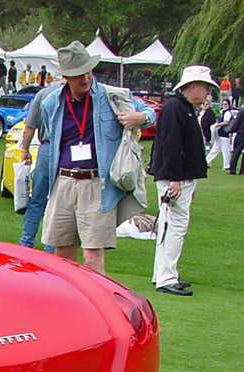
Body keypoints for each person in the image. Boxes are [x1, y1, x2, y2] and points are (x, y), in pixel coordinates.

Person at [39, 41, 154, 275]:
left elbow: (149, 111)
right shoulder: (50, 103)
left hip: (97, 184)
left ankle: (96, 307)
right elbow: (49, 140)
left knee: (92, 257)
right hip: (62, 182)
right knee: (62, 254)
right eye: (78, 74)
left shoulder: (112, 96)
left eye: (88, 71)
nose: (86, 78)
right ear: (66, 77)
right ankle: (69, 306)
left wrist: (140, 117)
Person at [149, 65, 216, 296]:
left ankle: (164, 273)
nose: (208, 91)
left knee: (171, 225)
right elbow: (170, 145)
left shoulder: (183, 108)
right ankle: (166, 277)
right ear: (193, 86)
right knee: (173, 226)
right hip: (174, 178)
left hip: (181, 177)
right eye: (206, 87)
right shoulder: (175, 108)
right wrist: (174, 180)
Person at [17, 79, 62, 252]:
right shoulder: (73, 94)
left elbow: (30, 125)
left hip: (47, 147)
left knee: (37, 198)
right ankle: (51, 245)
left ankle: (26, 241)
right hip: (65, 149)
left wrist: (25, 150)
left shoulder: (43, 94)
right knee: (57, 200)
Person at [206, 97, 234, 170]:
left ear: (229, 105)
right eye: (223, 104)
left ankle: (226, 165)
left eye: (226, 104)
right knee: (215, 148)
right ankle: (207, 161)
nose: (224, 105)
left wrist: (217, 125)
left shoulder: (227, 112)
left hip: (224, 133)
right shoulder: (222, 112)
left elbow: (226, 122)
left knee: (225, 150)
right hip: (220, 133)